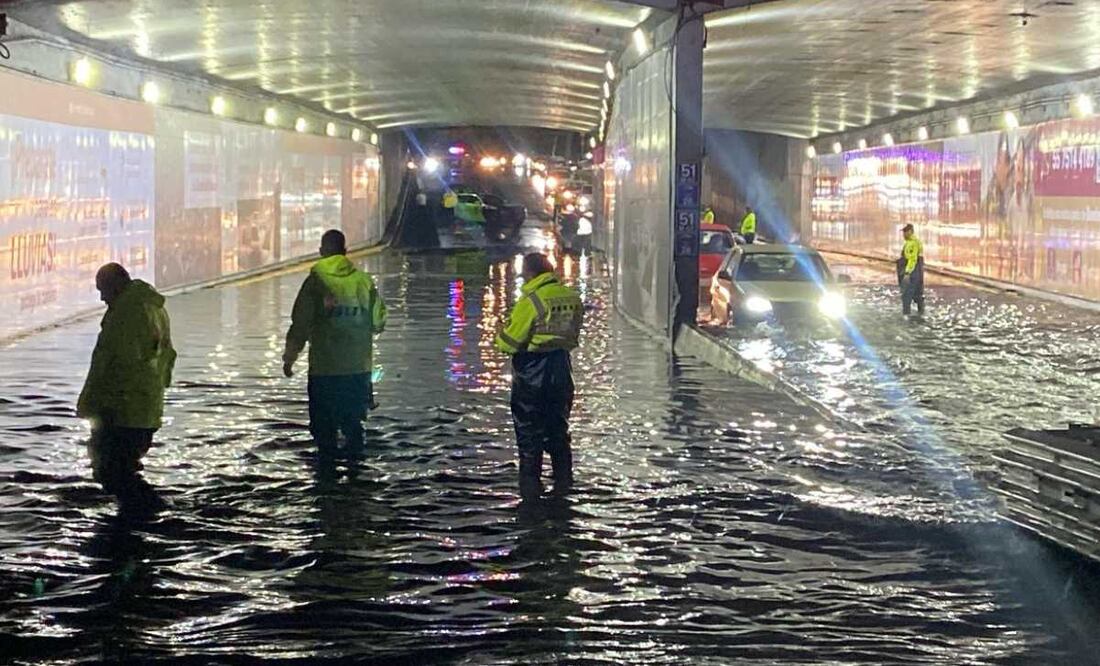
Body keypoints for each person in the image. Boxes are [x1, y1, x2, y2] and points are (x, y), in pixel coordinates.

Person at [77, 263, 176, 507]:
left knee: (111, 472)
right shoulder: (151, 307)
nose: (101, 297)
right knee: (118, 471)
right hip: (144, 407)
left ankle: (153, 513)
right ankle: (147, 515)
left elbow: (120, 366)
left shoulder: (129, 314)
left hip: (123, 411)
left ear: (116, 285)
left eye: (103, 290)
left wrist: (102, 408)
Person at [283, 229, 387, 455]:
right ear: (345, 252)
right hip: (356, 371)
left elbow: (299, 325)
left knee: (324, 434)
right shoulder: (363, 282)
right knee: (354, 430)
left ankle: (326, 484)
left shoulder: (314, 283)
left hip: (323, 372)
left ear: (321, 252)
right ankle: (356, 482)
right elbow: (379, 322)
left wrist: (289, 359)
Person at [495, 253, 584, 498]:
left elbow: (509, 343)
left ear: (531, 272)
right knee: (558, 431)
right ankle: (564, 489)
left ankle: (530, 495)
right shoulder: (572, 297)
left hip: (532, 373)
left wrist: (500, 330)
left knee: (529, 436)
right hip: (562, 370)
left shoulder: (530, 301)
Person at [898, 223, 925, 316]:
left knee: (907, 295)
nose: (903, 234)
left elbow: (913, 259)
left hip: (913, 271)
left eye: (905, 232)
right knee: (918, 294)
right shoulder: (909, 242)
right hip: (915, 271)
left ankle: (906, 317)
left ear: (910, 231)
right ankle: (921, 315)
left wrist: (907, 273)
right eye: (903, 232)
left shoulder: (914, 243)